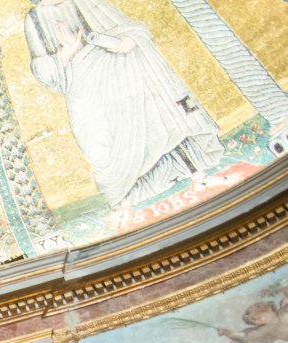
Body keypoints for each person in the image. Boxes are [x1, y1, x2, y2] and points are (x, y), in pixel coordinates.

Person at [24, 0, 227, 229]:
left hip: (124, 73)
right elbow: (42, 69)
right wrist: (68, 51)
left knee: (160, 121)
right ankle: (122, 205)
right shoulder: (34, 20)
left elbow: (133, 29)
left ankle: (199, 176)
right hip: (83, 87)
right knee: (99, 147)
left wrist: (124, 42)